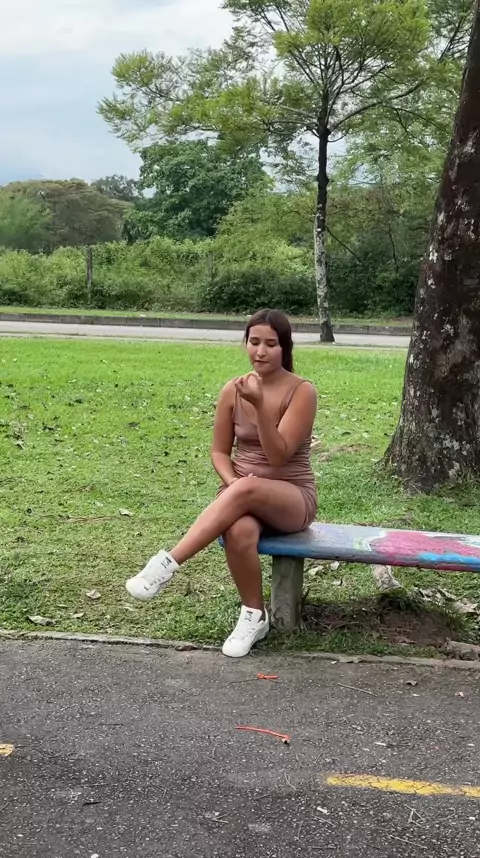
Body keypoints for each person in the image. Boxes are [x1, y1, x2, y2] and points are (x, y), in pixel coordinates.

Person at [126, 308, 318, 657]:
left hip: (291, 498)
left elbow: (278, 457)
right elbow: (218, 452)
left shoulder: (302, 391)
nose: (260, 351)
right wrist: (232, 483)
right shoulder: (232, 389)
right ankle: (254, 616)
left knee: (247, 487)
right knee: (239, 530)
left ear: (284, 347)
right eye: (254, 342)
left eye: (270, 344)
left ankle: (166, 565)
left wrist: (260, 406)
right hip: (239, 493)